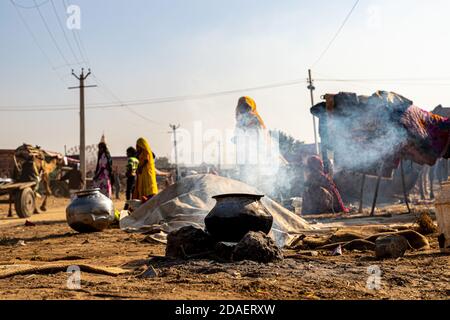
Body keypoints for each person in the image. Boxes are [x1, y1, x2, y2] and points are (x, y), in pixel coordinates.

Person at [133, 137, 158, 202]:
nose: (137, 147)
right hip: (141, 174)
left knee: (148, 190)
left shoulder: (146, 151)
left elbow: (146, 160)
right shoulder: (138, 153)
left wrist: (141, 167)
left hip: (146, 173)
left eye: (138, 145)